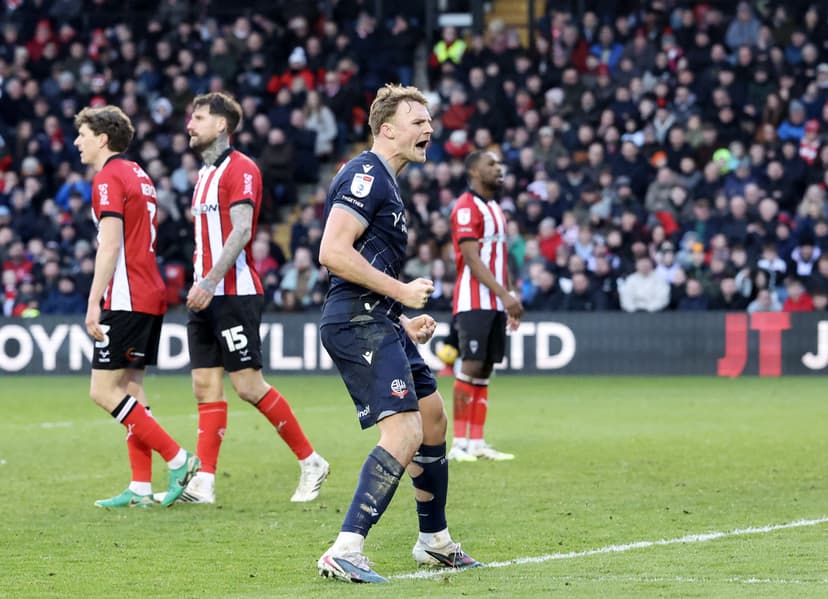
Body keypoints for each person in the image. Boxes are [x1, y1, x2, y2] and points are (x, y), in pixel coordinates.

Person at [316, 84, 481, 583]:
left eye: (429, 121)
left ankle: (434, 541)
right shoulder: (366, 174)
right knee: (405, 430)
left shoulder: (387, 180)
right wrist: (403, 293)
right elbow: (332, 251)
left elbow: (361, 261)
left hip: (378, 317)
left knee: (432, 418)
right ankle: (345, 547)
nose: (429, 128)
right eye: (418, 121)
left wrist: (402, 318)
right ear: (387, 128)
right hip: (356, 319)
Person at [175, 92, 328, 504]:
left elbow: (241, 231)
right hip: (205, 293)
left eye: (200, 117)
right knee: (204, 386)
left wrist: (208, 282)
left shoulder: (240, 169)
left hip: (232, 293)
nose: (190, 124)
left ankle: (311, 461)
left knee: (247, 385)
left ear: (222, 125)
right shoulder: (204, 174)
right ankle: (204, 482)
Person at [75, 105, 199, 508]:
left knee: (102, 390)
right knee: (132, 387)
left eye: (83, 133)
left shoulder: (108, 177)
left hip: (126, 296)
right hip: (150, 292)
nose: (78, 141)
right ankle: (141, 488)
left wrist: (94, 302)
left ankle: (178, 459)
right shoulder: (139, 175)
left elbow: (110, 244)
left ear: (102, 138)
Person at [447, 150, 523, 462]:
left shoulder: (495, 208)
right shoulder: (466, 207)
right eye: (491, 164)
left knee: (486, 369)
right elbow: (472, 258)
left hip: (494, 300)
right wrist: (504, 295)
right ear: (475, 171)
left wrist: (508, 295)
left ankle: (477, 442)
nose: (499, 168)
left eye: (499, 163)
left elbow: (499, 259)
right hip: (473, 299)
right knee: (471, 365)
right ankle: (458, 444)